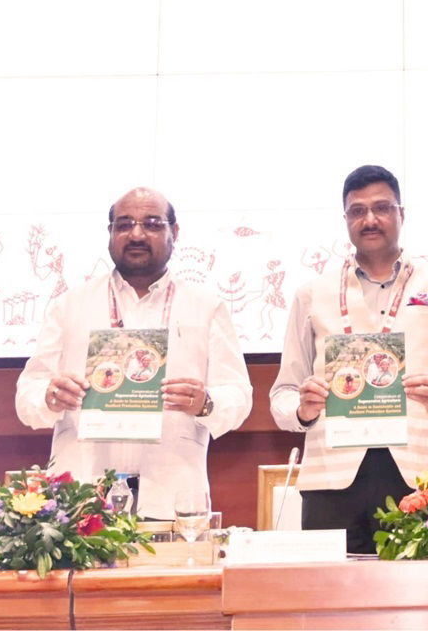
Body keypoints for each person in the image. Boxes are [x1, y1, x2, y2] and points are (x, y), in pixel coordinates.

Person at [269, 165, 428, 554]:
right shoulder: (311, 294)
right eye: (357, 211)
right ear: (346, 220)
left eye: (382, 208)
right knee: (328, 607)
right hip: (330, 480)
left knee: (420, 604)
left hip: (419, 478)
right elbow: (282, 394)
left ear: (402, 214)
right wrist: (302, 409)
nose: (370, 219)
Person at [15, 188, 252, 519]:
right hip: (82, 497)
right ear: (110, 233)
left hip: (172, 494)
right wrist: (50, 396)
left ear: (175, 232)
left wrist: (206, 403)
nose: (137, 234)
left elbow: (238, 395)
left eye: (152, 224)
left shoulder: (206, 307)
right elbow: (28, 395)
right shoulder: (71, 305)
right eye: (124, 225)